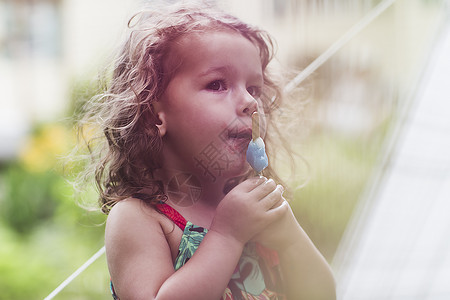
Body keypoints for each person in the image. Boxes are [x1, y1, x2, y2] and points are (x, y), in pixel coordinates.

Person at [79, 1, 336, 299]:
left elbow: (322, 294)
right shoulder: (139, 218)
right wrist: (228, 235)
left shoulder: (252, 206)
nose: (251, 103)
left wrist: (289, 238)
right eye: (216, 85)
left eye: (254, 89)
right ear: (153, 113)